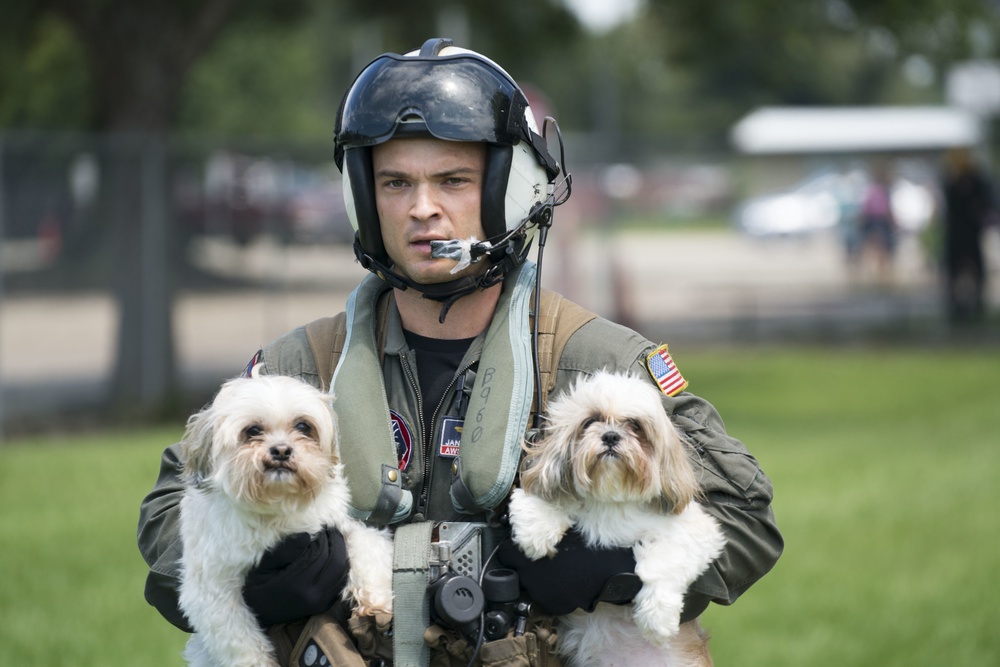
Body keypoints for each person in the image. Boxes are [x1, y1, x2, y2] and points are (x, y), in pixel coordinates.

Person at [138, 38, 782, 666]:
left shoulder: (597, 363)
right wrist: (254, 574)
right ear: (364, 198)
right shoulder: (299, 368)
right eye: (394, 183)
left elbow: (744, 512)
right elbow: (170, 507)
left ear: (509, 189)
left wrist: (612, 570)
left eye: (453, 180)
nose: (423, 210)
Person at [941, 147, 995, 324]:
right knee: (954, 271)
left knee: (976, 268)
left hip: (971, 232)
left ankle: (977, 303)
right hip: (957, 233)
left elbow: (986, 202)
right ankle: (956, 307)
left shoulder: (977, 181)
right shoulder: (951, 181)